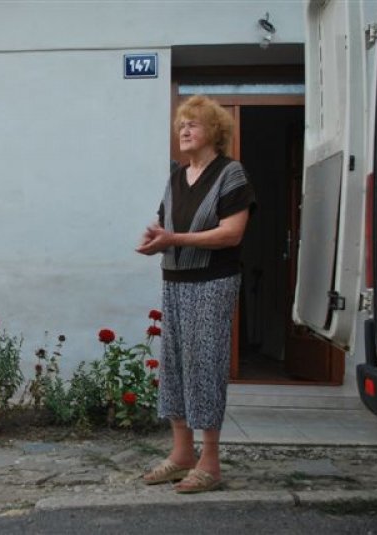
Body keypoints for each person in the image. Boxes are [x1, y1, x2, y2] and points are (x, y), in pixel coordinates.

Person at [136, 94, 255, 493]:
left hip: (213, 282)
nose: (184, 130)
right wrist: (155, 238)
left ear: (215, 131)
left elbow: (231, 233)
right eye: (181, 125)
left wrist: (174, 239)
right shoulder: (176, 176)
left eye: (193, 124)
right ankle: (181, 455)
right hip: (174, 280)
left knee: (205, 365)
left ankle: (210, 463)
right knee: (174, 367)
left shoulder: (230, 173)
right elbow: (165, 224)